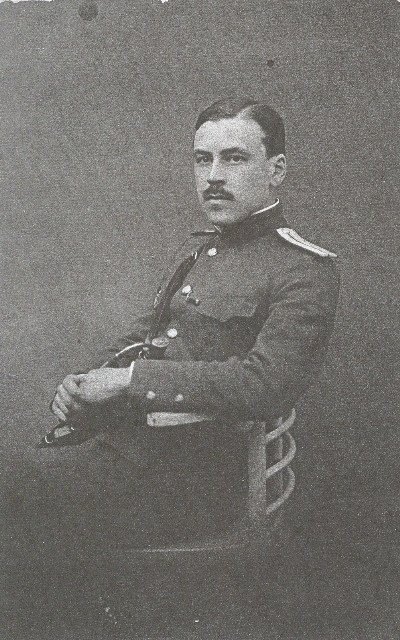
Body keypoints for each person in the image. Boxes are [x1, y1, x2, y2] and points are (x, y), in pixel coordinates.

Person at [48, 98, 340, 549]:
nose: (213, 177)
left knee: (24, 508)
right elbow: (145, 336)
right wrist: (85, 379)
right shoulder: (200, 253)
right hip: (133, 454)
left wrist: (127, 381)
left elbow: (265, 385)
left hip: (199, 482)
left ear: (276, 170)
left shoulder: (304, 269)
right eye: (203, 160)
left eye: (234, 159)